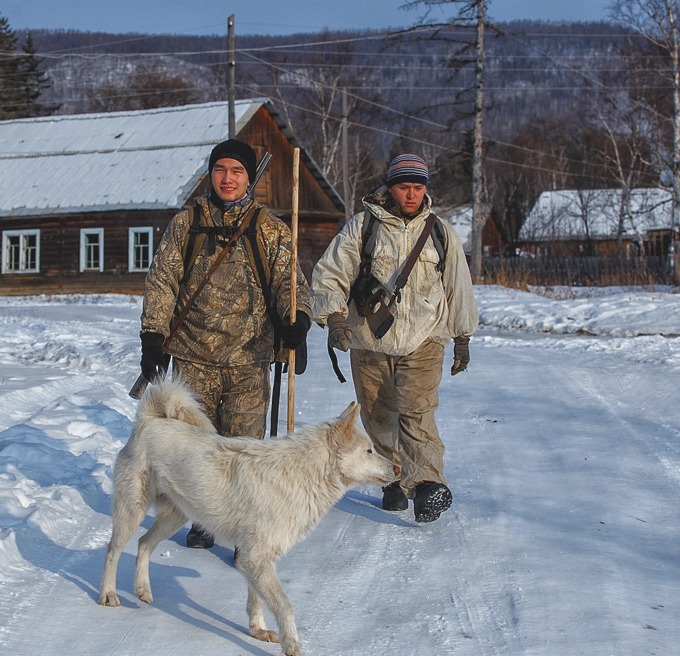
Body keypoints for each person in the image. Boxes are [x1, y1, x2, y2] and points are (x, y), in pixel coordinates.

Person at [139, 138, 312, 547]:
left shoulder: (269, 228)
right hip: (192, 355)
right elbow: (162, 281)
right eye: (220, 170)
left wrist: (296, 323)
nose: (227, 179)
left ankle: (245, 531)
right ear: (210, 174)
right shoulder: (187, 223)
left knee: (242, 450)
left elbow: (292, 286)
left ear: (249, 178)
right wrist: (152, 337)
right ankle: (203, 517)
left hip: (249, 359)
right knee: (198, 449)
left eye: (237, 172)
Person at [309, 154, 478, 523]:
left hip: (425, 339)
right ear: (390, 186)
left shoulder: (439, 232)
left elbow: (458, 285)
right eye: (405, 186)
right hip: (369, 341)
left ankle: (428, 485)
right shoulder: (363, 226)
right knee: (379, 417)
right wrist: (334, 317)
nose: (412, 194)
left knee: (418, 415)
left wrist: (462, 334)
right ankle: (395, 479)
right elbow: (332, 271)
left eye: (419, 187)